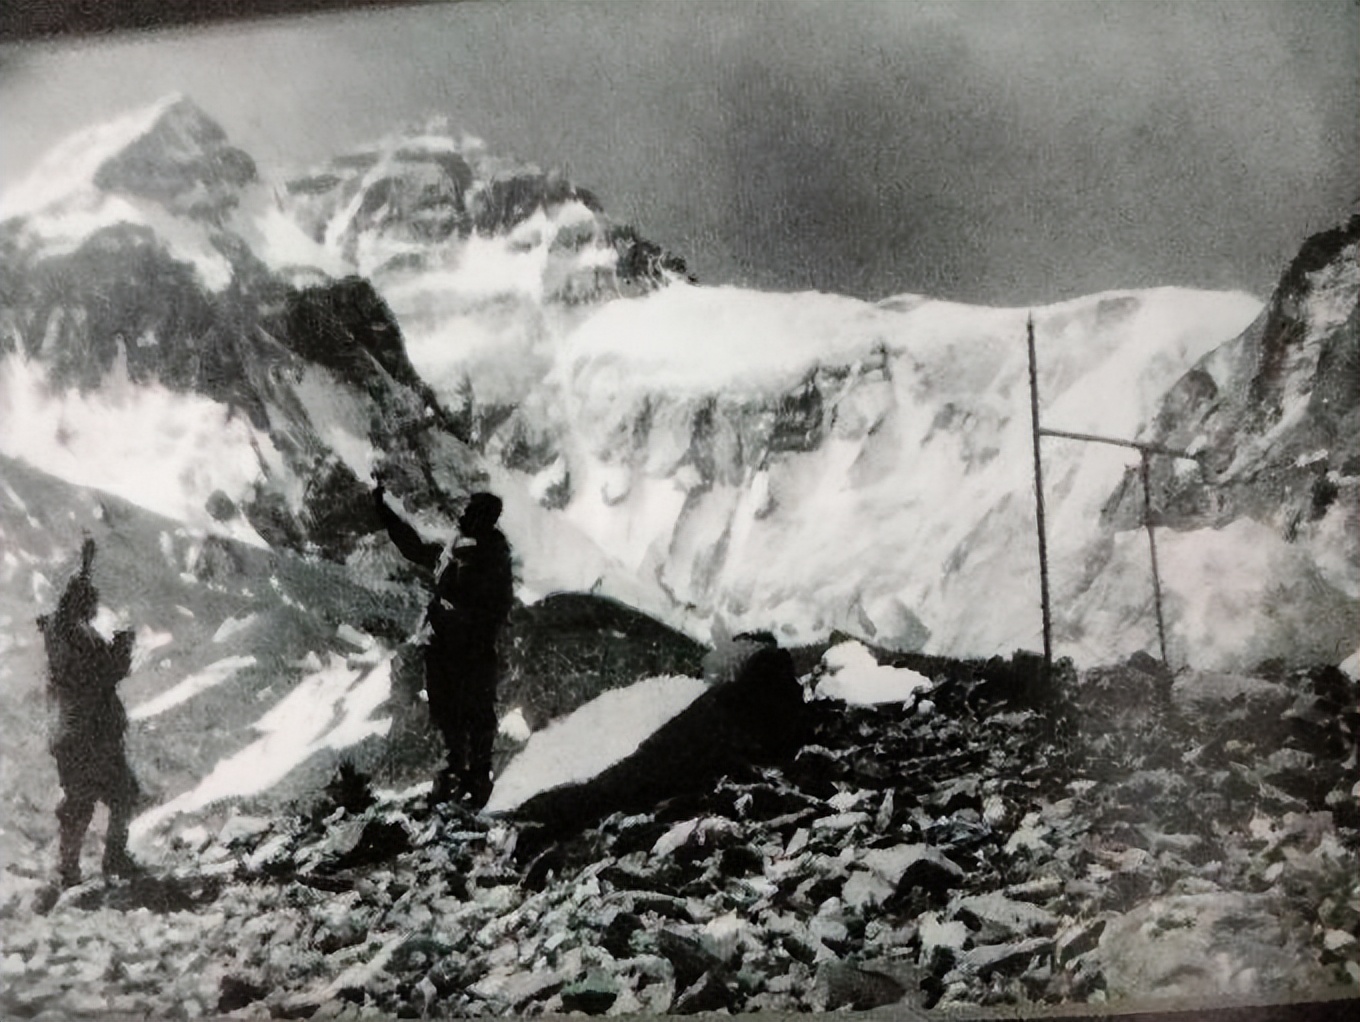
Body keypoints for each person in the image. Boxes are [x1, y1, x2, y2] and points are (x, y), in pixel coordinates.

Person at [373, 486, 514, 809]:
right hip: (449, 648)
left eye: (469, 513)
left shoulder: (489, 555)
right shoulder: (458, 552)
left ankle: (476, 779)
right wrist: (386, 513)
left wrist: (454, 610)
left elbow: (493, 605)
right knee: (449, 711)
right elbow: (415, 547)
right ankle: (460, 773)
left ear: (483, 519)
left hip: (471, 650)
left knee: (474, 714)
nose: (462, 517)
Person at [37, 538, 141, 887]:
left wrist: (85, 566)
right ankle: (74, 869)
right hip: (83, 734)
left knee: (119, 792)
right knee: (85, 800)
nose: (94, 603)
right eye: (88, 597)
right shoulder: (68, 632)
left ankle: (103, 860)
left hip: (85, 733)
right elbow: (102, 674)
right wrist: (122, 649)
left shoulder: (70, 631)